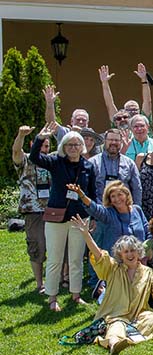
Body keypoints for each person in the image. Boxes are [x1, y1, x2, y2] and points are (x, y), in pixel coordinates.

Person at [68, 216, 153, 355]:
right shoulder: (113, 268)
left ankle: (124, 337)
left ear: (139, 252)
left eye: (133, 250)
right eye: (126, 251)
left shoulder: (150, 273)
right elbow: (98, 255)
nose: (130, 254)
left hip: (139, 316)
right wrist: (86, 234)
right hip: (115, 315)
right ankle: (115, 344)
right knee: (116, 326)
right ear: (120, 255)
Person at [30, 123, 97, 312]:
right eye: (70, 145)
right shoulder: (56, 162)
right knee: (55, 259)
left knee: (76, 259)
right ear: (63, 147)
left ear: (82, 146)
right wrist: (40, 138)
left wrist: (94, 217)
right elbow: (35, 157)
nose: (73, 148)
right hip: (56, 217)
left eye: (77, 145)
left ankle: (75, 295)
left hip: (79, 217)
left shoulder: (88, 166)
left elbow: (93, 193)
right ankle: (52, 297)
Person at [13, 126, 51, 294]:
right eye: (42, 145)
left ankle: (58, 280)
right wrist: (21, 135)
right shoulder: (26, 160)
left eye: (47, 146)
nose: (45, 149)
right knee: (37, 246)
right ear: (33, 144)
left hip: (53, 209)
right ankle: (39, 284)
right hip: (33, 210)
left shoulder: (51, 160)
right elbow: (16, 151)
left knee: (56, 246)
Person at [91, 128, 142, 206]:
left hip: (124, 210)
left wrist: (136, 209)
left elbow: (137, 189)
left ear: (121, 142)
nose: (113, 142)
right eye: (110, 140)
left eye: (116, 140)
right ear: (105, 141)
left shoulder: (129, 163)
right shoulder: (93, 162)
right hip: (99, 210)